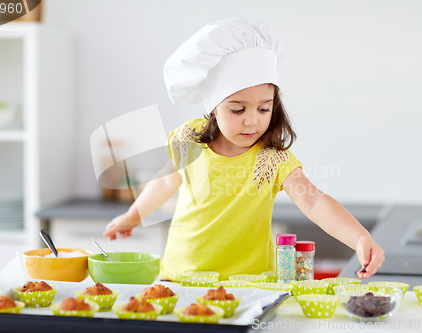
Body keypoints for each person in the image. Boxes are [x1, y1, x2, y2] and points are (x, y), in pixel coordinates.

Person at [103, 17, 384, 281]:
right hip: (182, 276)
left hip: (250, 284)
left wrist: (360, 238)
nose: (252, 120)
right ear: (213, 106)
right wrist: (133, 216)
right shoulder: (190, 141)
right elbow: (165, 182)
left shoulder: (273, 159)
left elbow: (315, 202)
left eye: (264, 108)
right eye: (237, 109)